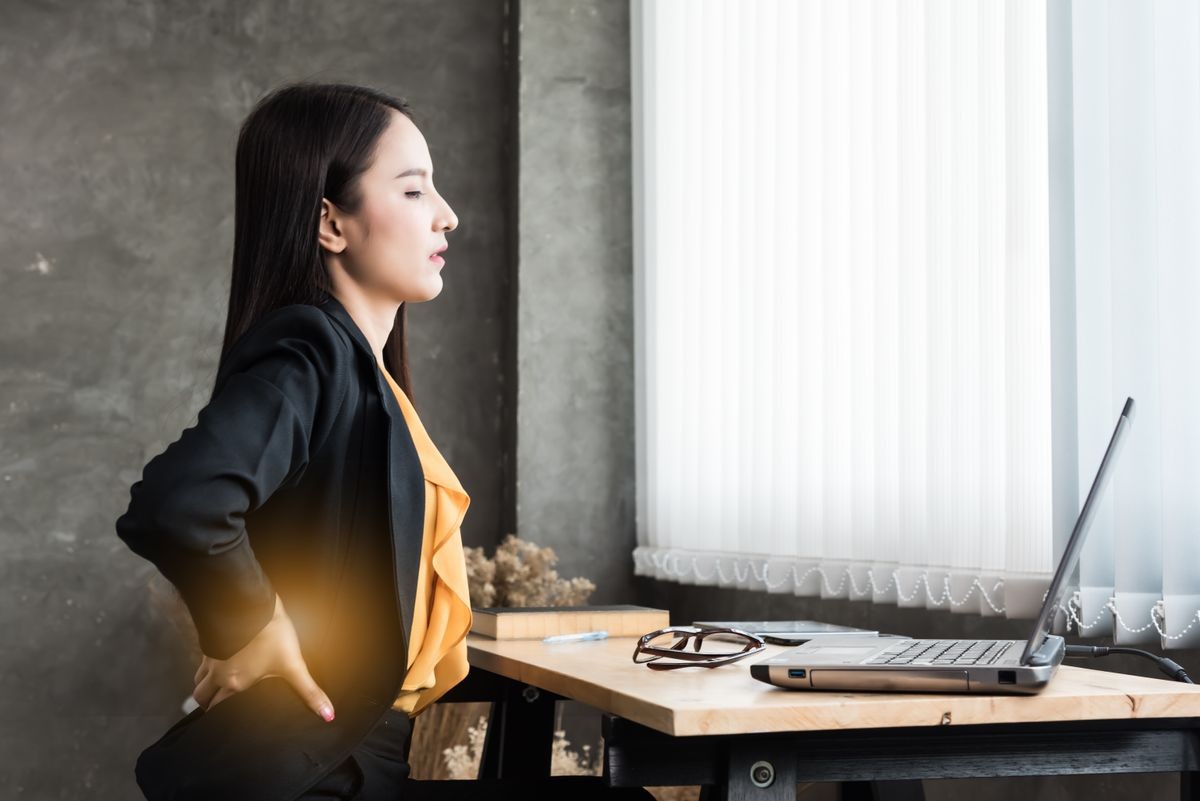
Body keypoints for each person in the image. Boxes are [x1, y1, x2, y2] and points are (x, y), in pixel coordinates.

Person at [114, 82, 655, 801]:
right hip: (316, 771)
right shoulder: (310, 350)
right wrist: (253, 620)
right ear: (330, 223)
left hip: (356, 766)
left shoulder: (363, 374)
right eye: (413, 190)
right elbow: (178, 502)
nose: (448, 215)